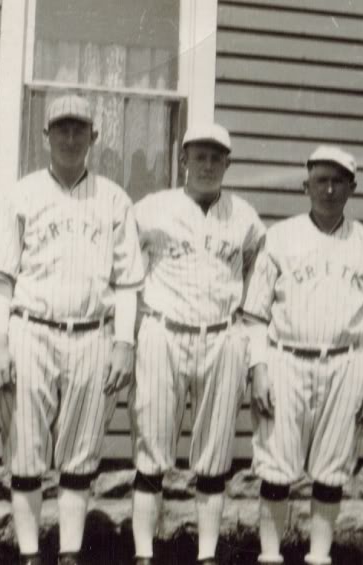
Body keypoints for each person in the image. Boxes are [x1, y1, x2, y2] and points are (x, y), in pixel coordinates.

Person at [0, 93, 144, 565]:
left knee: (80, 458)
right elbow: (0, 276)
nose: (70, 138)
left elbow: (129, 282)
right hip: (30, 331)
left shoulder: (114, 199)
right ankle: (31, 555)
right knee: (26, 456)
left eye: (79, 129)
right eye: (61, 129)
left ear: (94, 137)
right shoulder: (21, 194)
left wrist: (125, 342)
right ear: (45, 136)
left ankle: (70, 554)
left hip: (93, 335)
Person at [243, 145, 363, 565]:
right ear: (306, 185)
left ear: (353, 187)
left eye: (338, 181)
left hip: (345, 363)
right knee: (276, 468)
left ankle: (319, 556)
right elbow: (256, 316)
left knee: (331, 469)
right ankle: (270, 555)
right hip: (285, 361)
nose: (329, 189)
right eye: (321, 180)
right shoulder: (278, 239)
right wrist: (258, 368)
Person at [129, 123, 266, 565]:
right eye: (199, 156)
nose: (207, 165)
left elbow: (256, 279)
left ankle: (206, 556)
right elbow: (128, 273)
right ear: (182, 159)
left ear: (227, 163)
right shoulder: (151, 209)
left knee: (213, 454)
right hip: (162, 331)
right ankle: (144, 554)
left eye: (216, 157)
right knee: (151, 450)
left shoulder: (244, 217)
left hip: (222, 335)